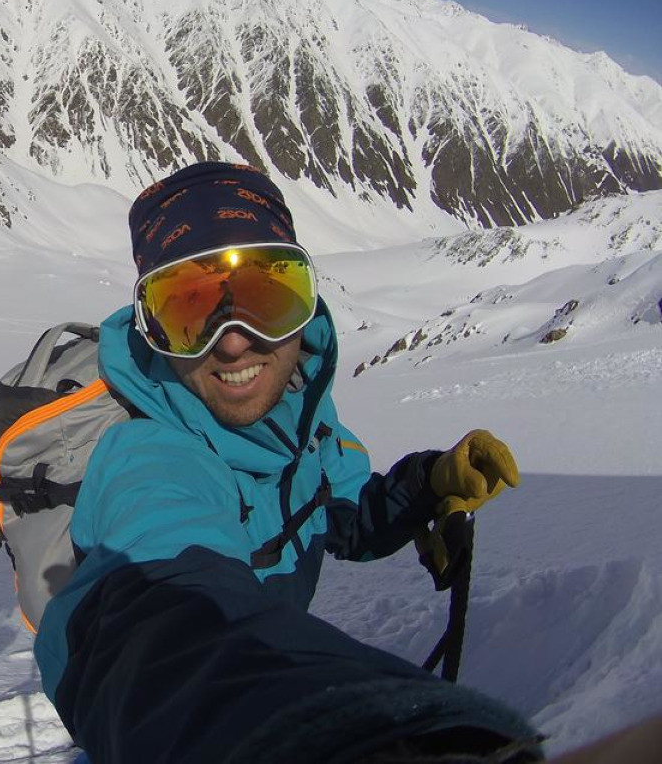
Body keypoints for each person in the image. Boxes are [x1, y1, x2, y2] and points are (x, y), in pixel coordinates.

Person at [32, 163, 544, 763]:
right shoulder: (149, 458)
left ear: (306, 304)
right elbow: (166, 621)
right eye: (189, 310)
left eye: (265, 297)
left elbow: (340, 514)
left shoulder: (301, 415)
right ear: (152, 332)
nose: (232, 342)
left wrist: (423, 487)